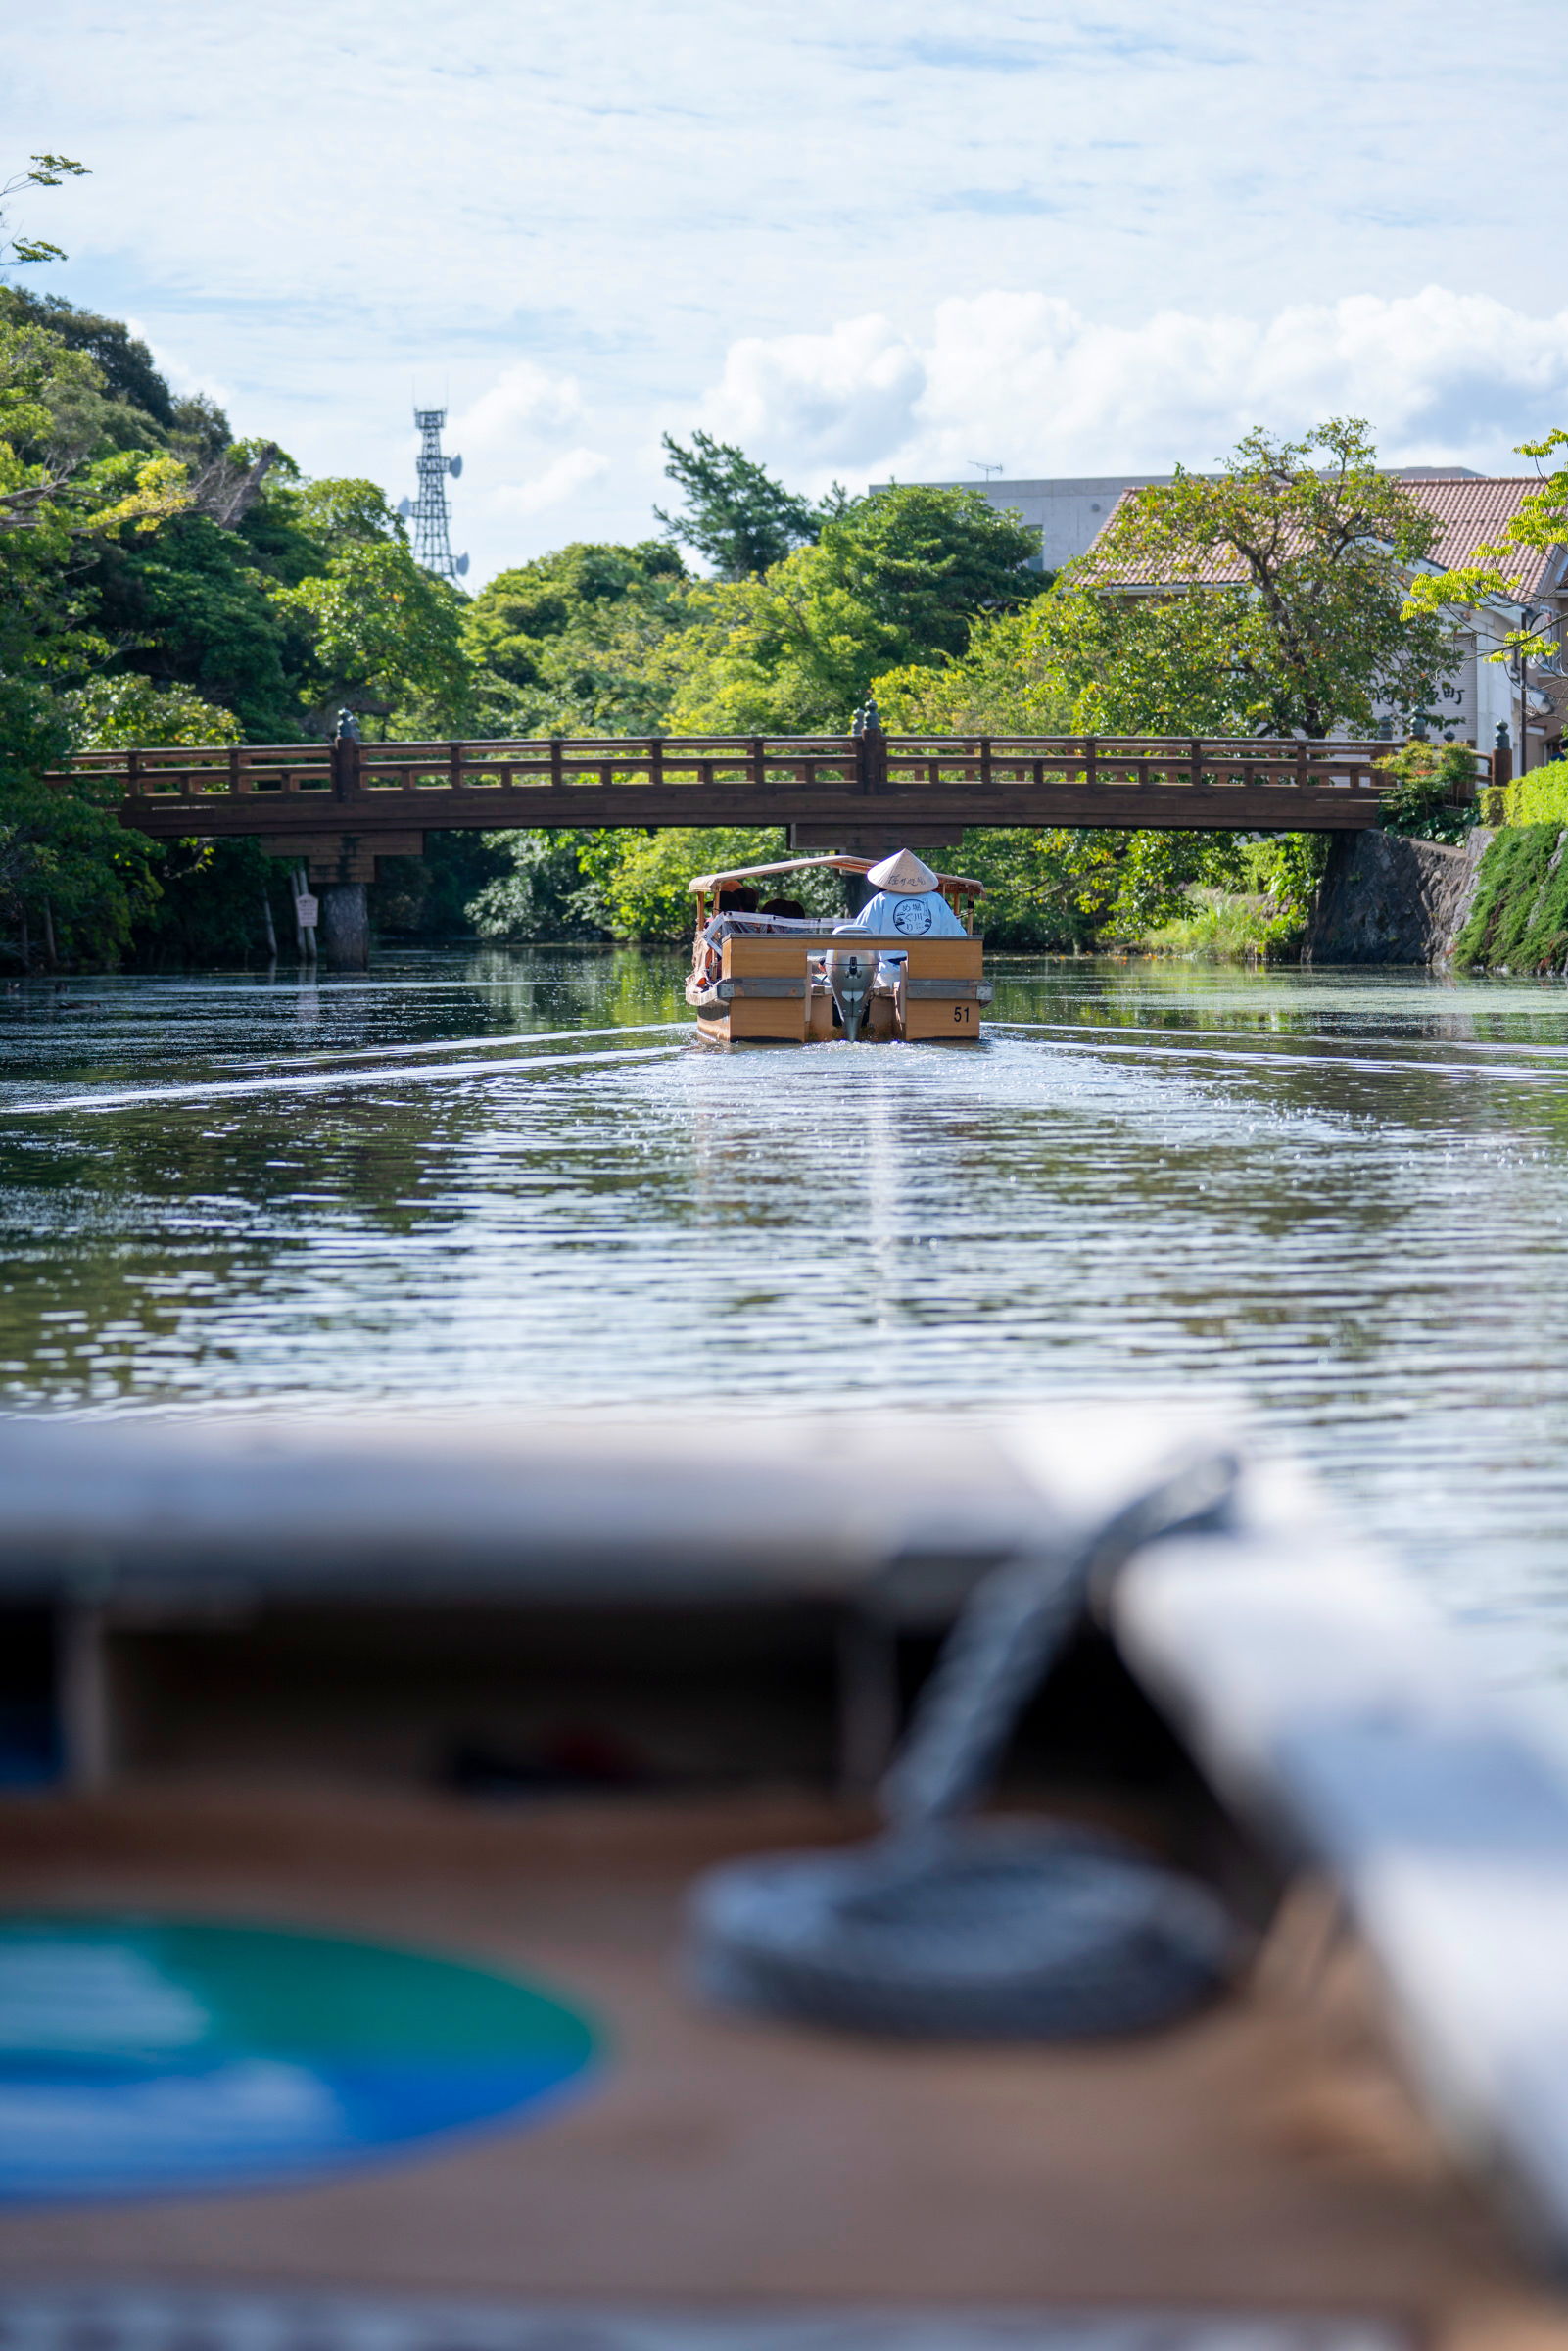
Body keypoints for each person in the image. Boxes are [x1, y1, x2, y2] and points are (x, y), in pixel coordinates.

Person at [846, 848, 967, 938]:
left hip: (890, 971)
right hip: (929, 969)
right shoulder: (937, 900)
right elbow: (959, 937)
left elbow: (858, 935)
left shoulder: (881, 900)